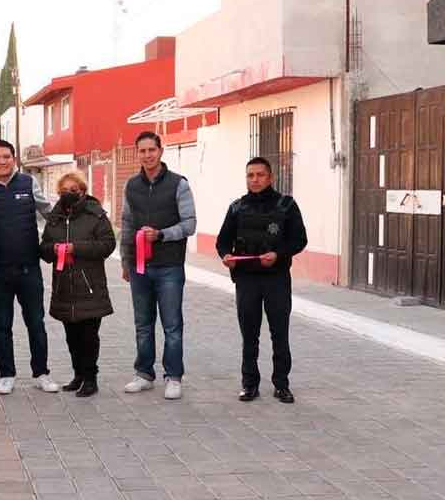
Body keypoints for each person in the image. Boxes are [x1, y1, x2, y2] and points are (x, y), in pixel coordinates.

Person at [216, 157, 308, 403]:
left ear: (271, 177)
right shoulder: (237, 208)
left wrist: (278, 255)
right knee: (249, 334)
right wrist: (226, 256)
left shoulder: (286, 205)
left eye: (260, 175)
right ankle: (249, 384)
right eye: (250, 175)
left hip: (276, 278)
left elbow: (299, 240)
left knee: (280, 333)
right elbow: (222, 241)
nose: (255, 180)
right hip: (247, 280)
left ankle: (281, 384)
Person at [0, 139, 55, 395]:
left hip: (29, 267)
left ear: (14, 158)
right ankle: (6, 374)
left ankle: (41, 373)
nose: (2, 161)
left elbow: (49, 212)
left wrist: (77, 215)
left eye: (7, 156)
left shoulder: (28, 183)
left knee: (36, 323)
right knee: (2, 324)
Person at [120, 131, 197, 400]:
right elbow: (127, 224)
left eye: (152, 150)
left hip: (169, 266)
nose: (147, 155)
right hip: (140, 267)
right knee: (142, 323)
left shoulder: (179, 184)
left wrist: (162, 234)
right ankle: (144, 374)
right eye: (142, 151)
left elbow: (190, 224)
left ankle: (174, 376)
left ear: (161, 151)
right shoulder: (131, 185)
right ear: (136, 153)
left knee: (172, 324)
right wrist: (126, 260)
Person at [38, 171, 116, 398]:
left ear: (83, 192)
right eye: (64, 191)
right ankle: (78, 375)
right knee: (72, 336)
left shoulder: (96, 215)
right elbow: (43, 248)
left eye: (74, 191)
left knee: (89, 336)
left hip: (90, 287)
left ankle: (91, 378)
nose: (69, 195)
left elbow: (107, 245)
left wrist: (76, 248)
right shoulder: (54, 218)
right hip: (64, 288)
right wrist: (52, 249)